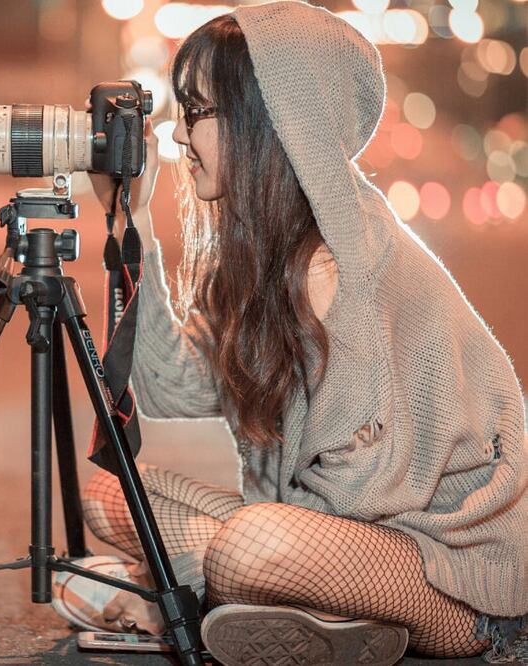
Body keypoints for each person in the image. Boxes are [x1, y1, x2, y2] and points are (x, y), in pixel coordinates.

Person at [50, 2, 528, 664]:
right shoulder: (259, 255)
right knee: (111, 496)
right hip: (327, 541)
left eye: (196, 112)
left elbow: (356, 508)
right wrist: (134, 225)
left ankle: (228, 599)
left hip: (451, 580)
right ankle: (312, 621)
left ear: (272, 122)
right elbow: (167, 386)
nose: (179, 137)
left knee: (253, 544)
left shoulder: (349, 268)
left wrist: (219, 561)